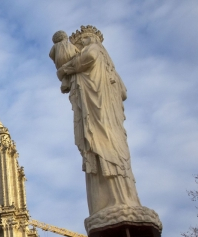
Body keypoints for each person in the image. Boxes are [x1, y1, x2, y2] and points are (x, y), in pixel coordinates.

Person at [55, 26, 141, 218]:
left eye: (81, 42)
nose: (80, 47)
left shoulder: (95, 50)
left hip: (100, 116)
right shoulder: (110, 69)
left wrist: (65, 69)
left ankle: (116, 202)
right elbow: (123, 93)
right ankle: (116, 200)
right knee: (98, 153)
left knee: (103, 150)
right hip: (99, 114)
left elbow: (89, 58)